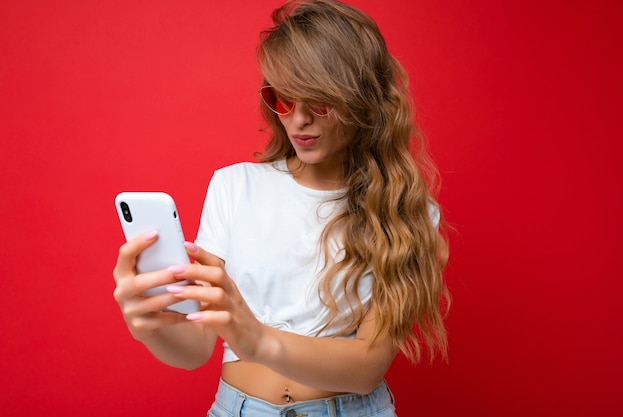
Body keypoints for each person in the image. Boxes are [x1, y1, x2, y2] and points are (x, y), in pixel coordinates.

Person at [112, 1, 449, 416]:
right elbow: (196, 348)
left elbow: (366, 368)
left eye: (319, 101)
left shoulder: (404, 211)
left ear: (363, 100)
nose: (299, 119)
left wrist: (256, 339)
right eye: (283, 99)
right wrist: (147, 325)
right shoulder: (235, 187)